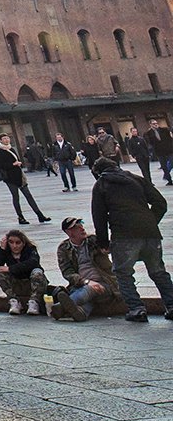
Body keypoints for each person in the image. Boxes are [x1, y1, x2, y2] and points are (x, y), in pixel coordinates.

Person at [91, 155, 173, 322]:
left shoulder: (101, 185)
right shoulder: (136, 179)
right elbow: (160, 203)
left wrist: (103, 243)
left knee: (123, 273)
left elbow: (99, 216)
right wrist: (150, 221)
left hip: (123, 235)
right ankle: (171, 305)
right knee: (158, 272)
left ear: (98, 172)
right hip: (150, 233)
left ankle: (137, 309)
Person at [51, 216, 121, 321]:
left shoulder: (93, 241)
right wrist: (86, 282)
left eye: (81, 225)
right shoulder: (64, 248)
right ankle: (81, 314)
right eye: (77, 227)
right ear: (69, 232)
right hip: (80, 284)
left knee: (90, 289)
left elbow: (111, 247)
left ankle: (61, 307)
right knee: (88, 295)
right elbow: (67, 273)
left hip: (106, 283)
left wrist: (106, 249)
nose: (82, 228)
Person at [0, 133, 48, 224]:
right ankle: (20, 217)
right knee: (16, 197)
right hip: (9, 177)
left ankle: (40, 215)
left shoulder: (11, 149)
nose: (7, 140)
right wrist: (13, 164)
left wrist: (19, 163)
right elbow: (0, 165)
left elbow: (17, 159)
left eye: (7, 138)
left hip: (19, 176)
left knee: (28, 196)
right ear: (0, 140)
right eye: (4, 139)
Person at [0, 228, 47, 315]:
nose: (14, 246)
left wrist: (10, 269)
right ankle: (14, 301)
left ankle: (34, 302)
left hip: (31, 282)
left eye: (18, 243)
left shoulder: (30, 249)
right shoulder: (7, 251)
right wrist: (1, 249)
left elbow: (33, 263)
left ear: (23, 243)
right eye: (11, 242)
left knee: (37, 272)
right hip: (16, 282)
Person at [148, 118, 173, 186]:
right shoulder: (149, 133)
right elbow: (150, 142)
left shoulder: (164, 130)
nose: (156, 124)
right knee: (164, 166)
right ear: (150, 125)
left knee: (171, 162)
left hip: (169, 150)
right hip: (159, 152)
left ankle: (166, 175)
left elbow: (170, 138)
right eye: (154, 124)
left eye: (156, 123)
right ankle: (169, 180)